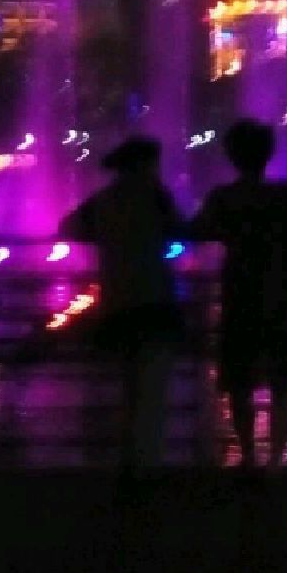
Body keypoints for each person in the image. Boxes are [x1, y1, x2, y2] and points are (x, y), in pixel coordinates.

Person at [190, 120, 287, 471]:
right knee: (282, 381)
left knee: (240, 381)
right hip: (283, 292)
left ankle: (248, 454)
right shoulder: (286, 195)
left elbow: (196, 228)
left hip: (241, 292)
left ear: (232, 156)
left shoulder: (222, 198)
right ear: (268, 154)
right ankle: (276, 460)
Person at [59, 136, 184, 476]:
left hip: (118, 304)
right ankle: (148, 465)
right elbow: (180, 227)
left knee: (128, 388)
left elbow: (68, 227)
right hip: (155, 303)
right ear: (145, 165)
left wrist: (104, 238)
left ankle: (129, 462)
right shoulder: (156, 197)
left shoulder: (103, 200)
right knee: (152, 390)